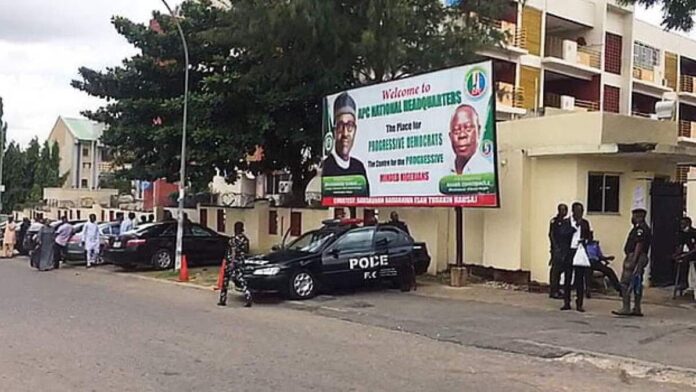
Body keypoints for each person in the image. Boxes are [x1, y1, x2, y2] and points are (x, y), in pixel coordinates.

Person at [321, 92, 370, 196]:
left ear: (355, 130)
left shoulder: (359, 168)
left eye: (350, 126)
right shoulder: (327, 166)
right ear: (334, 131)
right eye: (340, 126)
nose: (345, 133)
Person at [613, 208, 652, 317]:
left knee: (625, 283)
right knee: (637, 283)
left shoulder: (640, 229)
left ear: (639, 216)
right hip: (639, 257)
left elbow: (639, 245)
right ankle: (637, 308)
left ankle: (626, 308)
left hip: (636, 257)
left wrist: (633, 260)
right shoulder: (643, 228)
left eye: (634, 216)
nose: (632, 218)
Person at [562, 202, 591, 312]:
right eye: (578, 212)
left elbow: (589, 235)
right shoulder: (567, 222)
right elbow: (562, 234)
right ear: (573, 212)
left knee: (579, 278)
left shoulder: (585, 223)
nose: (580, 214)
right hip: (569, 251)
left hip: (580, 251)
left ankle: (579, 303)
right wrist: (574, 228)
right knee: (568, 278)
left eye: (582, 212)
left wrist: (585, 240)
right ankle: (566, 302)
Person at [448, 104, 489, 175]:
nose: (462, 135)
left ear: (478, 131)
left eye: (468, 128)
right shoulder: (442, 171)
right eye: (456, 130)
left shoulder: (486, 170)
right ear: (450, 136)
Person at [218, 221, 251, 307]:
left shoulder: (232, 240)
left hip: (231, 262)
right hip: (241, 262)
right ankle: (248, 296)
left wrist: (231, 262)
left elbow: (232, 252)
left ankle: (223, 299)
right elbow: (247, 251)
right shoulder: (246, 240)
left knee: (225, 280)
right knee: (241, 279)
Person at [584, 231, 623, 296]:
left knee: (609, 270)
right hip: (587, 262)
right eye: (589, 236)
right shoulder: (583, 245)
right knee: (587, 272)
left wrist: (607, 258)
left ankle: (619, 289)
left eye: (591, 236)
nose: (591, 238)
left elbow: (600, 256)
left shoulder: (595, 245)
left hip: (596, 262)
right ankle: (588, 290)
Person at [548, 204, 572, 299]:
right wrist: (555, 248)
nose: (564, 212)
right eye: (562, 210)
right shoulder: (555, 221)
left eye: (565, 210)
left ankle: (557, 289)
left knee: (562, 269)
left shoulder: (566, 222)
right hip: (557, 249)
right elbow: (552, 235)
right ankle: (553, 290)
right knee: (555, 271)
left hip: (565, 249)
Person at [674, 217, 696, 299]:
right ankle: (680, 281)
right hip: (689, 252)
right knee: (677, 260)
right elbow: (680, 245)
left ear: (688, 224)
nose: (681, 225)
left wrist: (684, 255)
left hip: (693, 253)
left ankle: (684, 282)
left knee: (685, 259)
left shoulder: (694, 232)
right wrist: (677, 255)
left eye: (683, 224)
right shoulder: (682, 233)